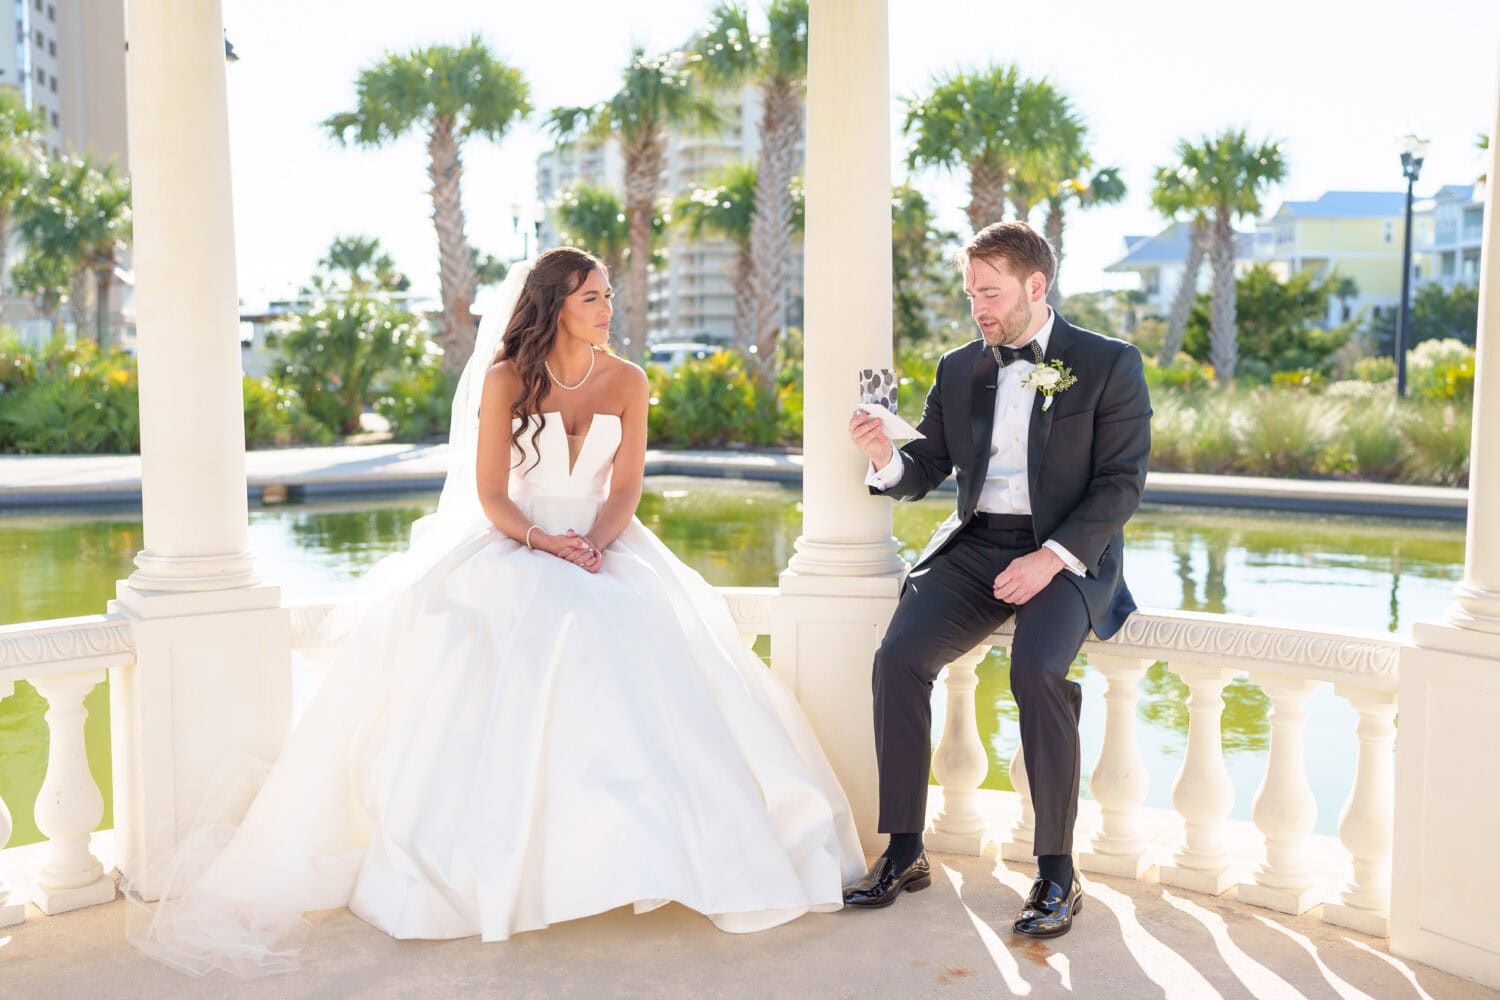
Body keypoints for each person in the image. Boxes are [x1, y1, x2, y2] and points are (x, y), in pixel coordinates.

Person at [130, 248, 864, 977]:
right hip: (520, 539)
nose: (609, 310)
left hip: (605, 541)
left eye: (609, 296)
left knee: (641, 639)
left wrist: (595, 548)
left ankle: (653, 853)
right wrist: (545, 542)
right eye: (591, 298)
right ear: (554, 307)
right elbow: (491, 493)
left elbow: (626, 486)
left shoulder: (629, 380)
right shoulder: (507, 378)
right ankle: (506, 872)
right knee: (522, 638)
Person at [842, 222, 1151, 938]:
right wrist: (885, 456)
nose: (977, 305)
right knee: (898, 659)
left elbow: (1120, 484)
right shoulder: (960, 368)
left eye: (990, 291)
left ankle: (1055, 874)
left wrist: (1052, 558)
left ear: (1035, 286)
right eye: (970, 291)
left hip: (1066, 551)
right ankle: (905, 850)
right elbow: (927, 470)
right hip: (978, 545)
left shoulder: (1109, 363)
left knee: (1037, 671)